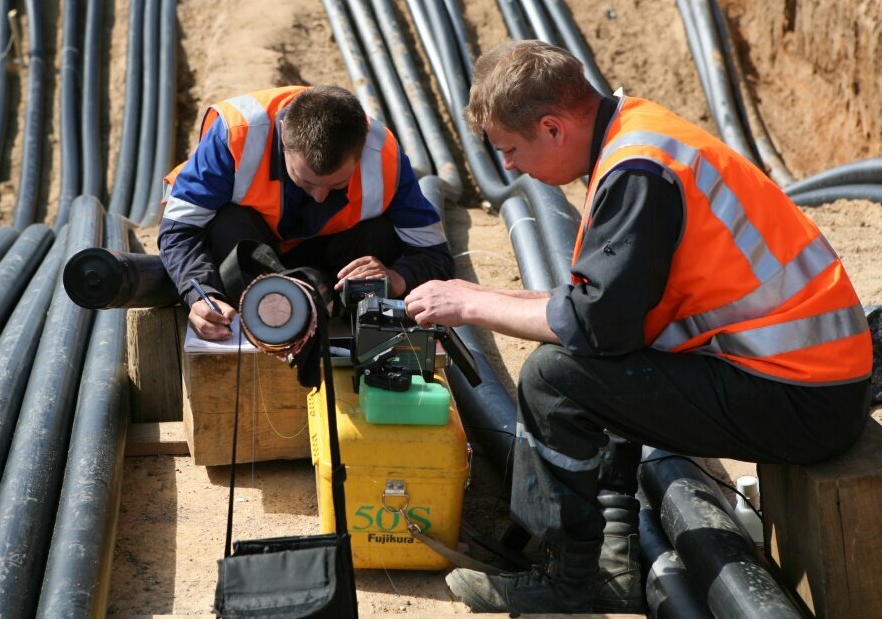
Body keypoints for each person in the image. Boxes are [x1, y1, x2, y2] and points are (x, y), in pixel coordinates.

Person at [404, 40, 872, 614]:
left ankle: (570, 578)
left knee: (555, 379)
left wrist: (472, 307)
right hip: (815, 382)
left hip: (802, 402)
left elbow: (596, 326)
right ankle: (615, 556)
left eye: (510, 149)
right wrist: (477, 292)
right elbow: (604, 308)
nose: (509, 168)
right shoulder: (640, 134)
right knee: (599, 367)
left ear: (552, 128)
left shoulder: (636, 172)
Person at [160, 84, 455, 340]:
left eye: (338, 184)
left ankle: (332, 310)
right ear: (284, 144)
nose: (319, 196)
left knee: (379, 233)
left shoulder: (384, 156)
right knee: (226, 224)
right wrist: (201, 295)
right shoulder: (235, 135)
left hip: (334, 267)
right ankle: (270, 310)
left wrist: (394, 277)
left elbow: (436, 257)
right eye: (305, 182)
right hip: (250, 256)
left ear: (360, 151)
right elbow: (179, 232)